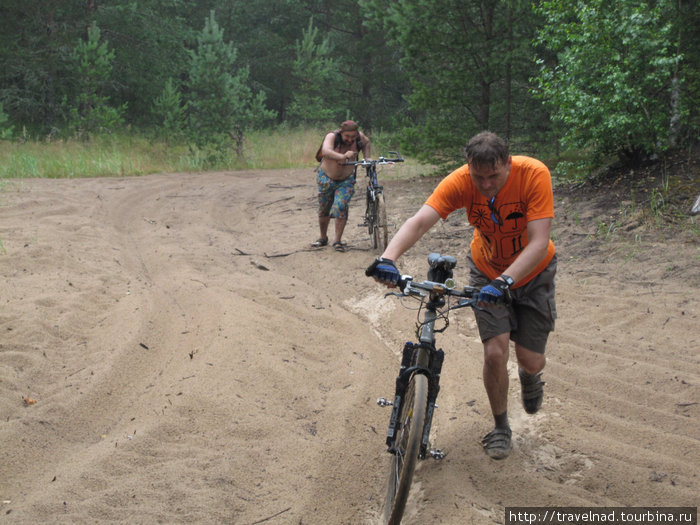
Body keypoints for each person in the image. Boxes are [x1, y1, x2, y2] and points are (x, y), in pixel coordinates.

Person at [366, 131, 556, 460]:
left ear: (508, 163)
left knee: (530, 358)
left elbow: (539, 242)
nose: (484, 184)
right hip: (486, 270)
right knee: (495, 354)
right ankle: (500, 426)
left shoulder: (533, 174)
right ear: (468, 167)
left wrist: (507, 281)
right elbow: (420, 221)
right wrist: (388, 258)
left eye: (493, 176)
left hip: (533, 272)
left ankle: (530, 374)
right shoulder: (460, 181)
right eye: (477, 176)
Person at [311, 120, 371, 252]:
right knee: (324, 208)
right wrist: (342, 156)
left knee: (341, 206)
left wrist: (367, 157)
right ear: (340, 132)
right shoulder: (332, 136)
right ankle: (323, 237)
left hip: (346, 179)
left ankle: (337, 241)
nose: (350, 139)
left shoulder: (360, 137)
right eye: (347, 136)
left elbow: (366, 143)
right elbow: (326, 151)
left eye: (353, 137)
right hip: (326, 177)